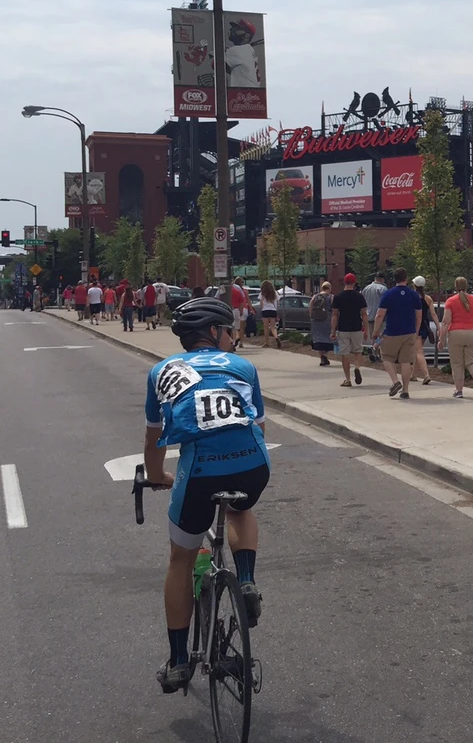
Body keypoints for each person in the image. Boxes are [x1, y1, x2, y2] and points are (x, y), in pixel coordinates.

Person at [142, 295, 270, 693]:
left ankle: (180, 661)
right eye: (229, 331)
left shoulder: (161, 371)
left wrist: (156, 475)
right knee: (239, 509)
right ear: (215, 332)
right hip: (253, 463)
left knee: (180, 560)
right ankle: (246, 580)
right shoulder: (244, 366)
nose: (232, 337)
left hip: (198, 471)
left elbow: (154, 439)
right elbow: (260, 427)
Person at [372, 267, 424, 399]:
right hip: (409, 332)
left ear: (394, 279)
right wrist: (416, 331)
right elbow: (419, 316)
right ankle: (405, 390)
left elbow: (380, 315)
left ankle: (395, 382)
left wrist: (376, 331)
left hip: (392, 332)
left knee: (387, 357)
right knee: (406, 361)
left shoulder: (389, 294)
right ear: (406, 278)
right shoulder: (414, 295)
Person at [439, 276, 473, 398]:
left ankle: (459, 390)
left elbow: (446, 322)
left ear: (455, 287)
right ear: (467, 286)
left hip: (455, 333)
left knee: (457, 363)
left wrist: (441, 338)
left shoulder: (450, 301)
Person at [330, 273, 369, 386]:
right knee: (358, 351)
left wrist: (333, 331)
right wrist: (366, 330)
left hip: (343, 328)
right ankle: (357, 367)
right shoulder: (359, 296)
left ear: (344, 282)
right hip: (356, 327)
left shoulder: (338, 297)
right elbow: (364, 314)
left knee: (345, 353)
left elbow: (335, 315)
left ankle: (348, 379)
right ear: (354, 282)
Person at [411, 276, 435, 385]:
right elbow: (433, 314)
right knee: (417, 351)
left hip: (416, 325)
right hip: (425, 326)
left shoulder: (412, 296)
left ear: (414, 285)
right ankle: (413, 375)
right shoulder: (428, 298)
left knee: (419, 352)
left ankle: (426, 375)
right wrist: (438, 328)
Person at [308, 281, 335, 367]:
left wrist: (312, 317)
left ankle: (321, 358)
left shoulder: (315, 296)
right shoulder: (331, 297)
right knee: (328, 338)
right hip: (327, 320)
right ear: (329, 288)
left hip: (316, 320)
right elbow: (335, 309)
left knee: (318, 339)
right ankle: (325, 355)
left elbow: (310, 307)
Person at [229, 277, 250, 349]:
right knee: (239, 327)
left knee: (231, 327)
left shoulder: (223, 289)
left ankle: (233, 341)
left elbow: (217, 297)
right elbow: (243, 300)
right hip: (238, 309)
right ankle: (239, 340)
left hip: (228, 310)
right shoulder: (239, 290)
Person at [258, 280, 280, 348]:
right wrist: (276, 311)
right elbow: (277, 303)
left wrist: (262, 309)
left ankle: (266, 342)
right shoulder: (275, 293)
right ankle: (276, 337)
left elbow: (261, 303)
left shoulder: (262, 293)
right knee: (273, 327)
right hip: (273, 310)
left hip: (265, 310)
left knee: (266, 327)